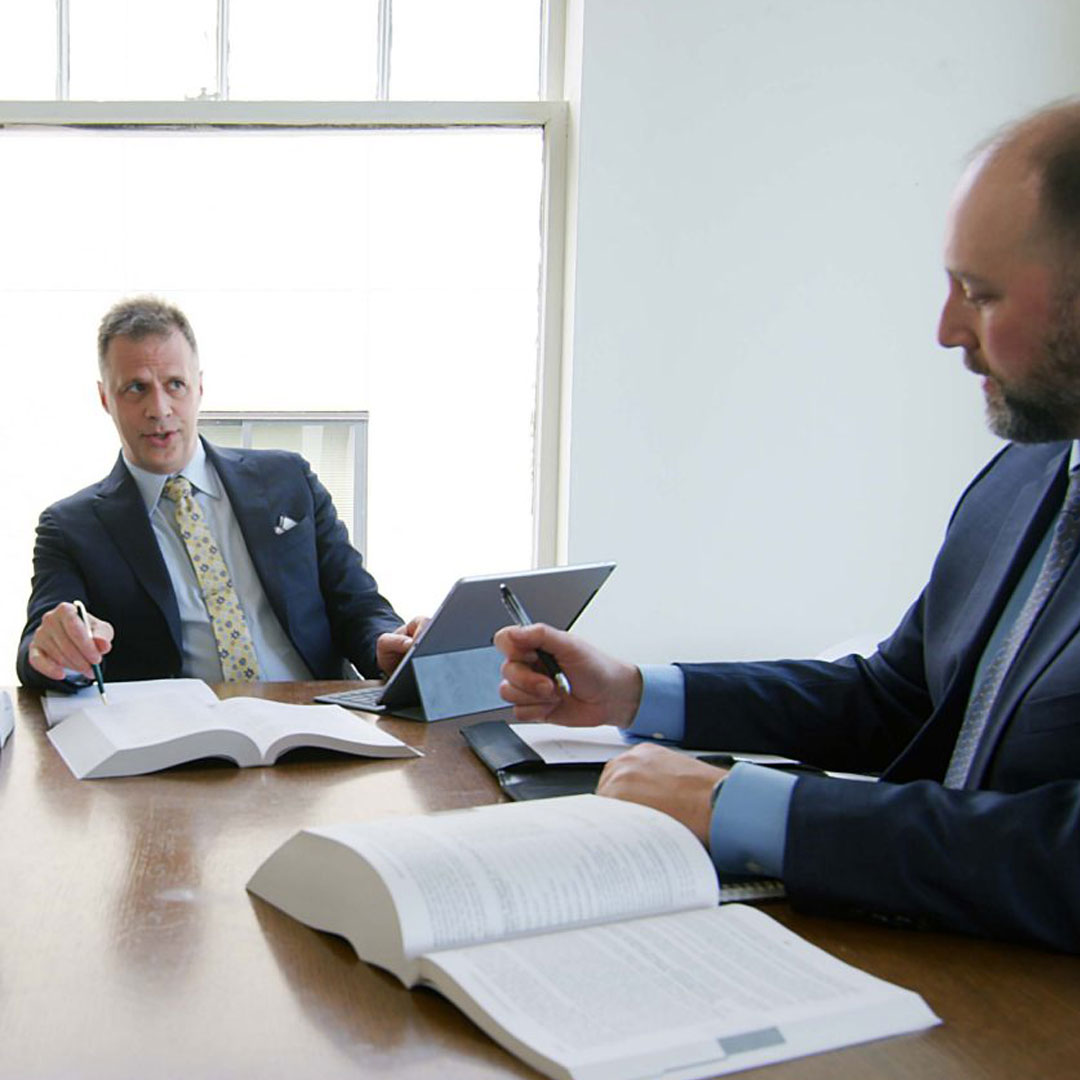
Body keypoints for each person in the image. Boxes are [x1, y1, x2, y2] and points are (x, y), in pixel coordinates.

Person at [496, 100, 1080, 954]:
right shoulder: (1025, 475)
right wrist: (634, 693)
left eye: (981, 294)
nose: (947, 330)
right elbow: (896, 699)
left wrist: (749, 806)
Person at [18, 296, 424, 691]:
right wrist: (56, 648)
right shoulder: (70, 527)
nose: (159, 409)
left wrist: (384, 641)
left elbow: (357, 602)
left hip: (316, 719)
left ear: (199, 387)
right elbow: (38, 645)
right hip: (181, 743)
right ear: (106, 398)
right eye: (136, 389)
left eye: (174, 384)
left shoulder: (288, 478)